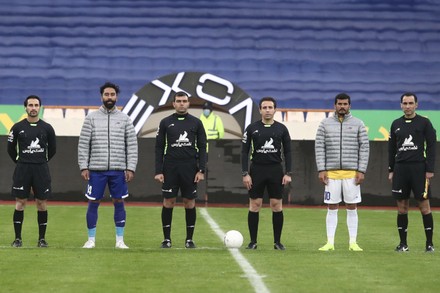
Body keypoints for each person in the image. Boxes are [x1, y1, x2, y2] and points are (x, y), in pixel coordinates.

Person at [78, 82, 138, 249]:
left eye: (112, 95)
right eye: (106, 94)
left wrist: (130, 167)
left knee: (119, 201)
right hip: (96, 170)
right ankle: (91, 240)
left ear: (116, 97)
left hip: (118, 169)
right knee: (93, 202)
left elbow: (132, 145)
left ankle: (120, 240)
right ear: (101, 96)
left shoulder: (125, 119)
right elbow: (84, 144)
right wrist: (84, 166)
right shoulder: (91, 118)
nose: (109, 97)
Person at [315, 93, 369, 252]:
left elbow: (364, 148)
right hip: (331, 173)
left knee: (352, 206)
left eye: (345, 104)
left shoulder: (358, 124)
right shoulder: (324, 124)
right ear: (335, 105)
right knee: (332, 206)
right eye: (339, 104)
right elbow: (319, 147)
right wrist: (321, 169)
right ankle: (330, 242)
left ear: (349, 106)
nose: (342, 107)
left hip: (351, 173)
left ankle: (353, 242)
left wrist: (361, 170)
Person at [154, 91, 207, 249]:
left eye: (184, 101)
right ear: (174, 103)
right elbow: (159, 147)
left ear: (188, 103)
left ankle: (189, 239)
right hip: (170, 167)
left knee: (189, 202)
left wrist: (201, 170)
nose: (182, 103)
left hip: (190, 168)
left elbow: (203, 147)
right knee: (168, 201)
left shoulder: (196, 123)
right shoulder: (165, 122)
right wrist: (158, 170)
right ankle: (166, 239)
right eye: (179, 101)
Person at [241, 96, 292, 250]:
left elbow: (288, 152)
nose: (267, 110)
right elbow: (244, 152)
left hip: (276, 170)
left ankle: (277, 242)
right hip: (256, 170)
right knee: (255, 205)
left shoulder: (282, 129)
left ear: (275, 109)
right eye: (265, 107)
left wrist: (288, 172)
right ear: (260, 110)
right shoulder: (251, 128)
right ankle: (253, 241)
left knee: (276, 205)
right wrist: (245, 173)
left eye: (270, 107)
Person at [388, 92, 436, 252]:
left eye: (410, 103)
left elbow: (431, 146)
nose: (407, 106)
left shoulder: (424, 123)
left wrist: (429, 169)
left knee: (424, 206)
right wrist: (391, 169)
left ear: (417, 104)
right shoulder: (395, 124)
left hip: (419, 169)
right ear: (401, 105)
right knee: (402, 207)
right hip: (401, 169)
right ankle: (403, 244)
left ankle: (429, 244)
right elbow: (391, 149)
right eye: (405, 103)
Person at [7, 95, 56, 248]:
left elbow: (53, 150)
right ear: (26, 107)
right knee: (20, 203)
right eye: (30, 105)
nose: (33, 108)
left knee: (41, 203)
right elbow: (10, 149)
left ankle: (42, 239)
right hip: (23, 169)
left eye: (36, 105)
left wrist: (40, 161)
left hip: (41, 169)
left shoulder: (47, 128)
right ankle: (17, 239)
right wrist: (21, 161)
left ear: (39, 107)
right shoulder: (17, 127)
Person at [199, 101, 225, 201]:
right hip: (202, 150)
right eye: (205, 109)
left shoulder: (216, 119)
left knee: (212, 172)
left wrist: (217, 146)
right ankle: (203, 193)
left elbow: (221, 133)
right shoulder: (199, 119)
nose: (206, 111)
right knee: (202, 171)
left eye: (208, 109)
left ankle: (212, 194)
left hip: (213, 150)